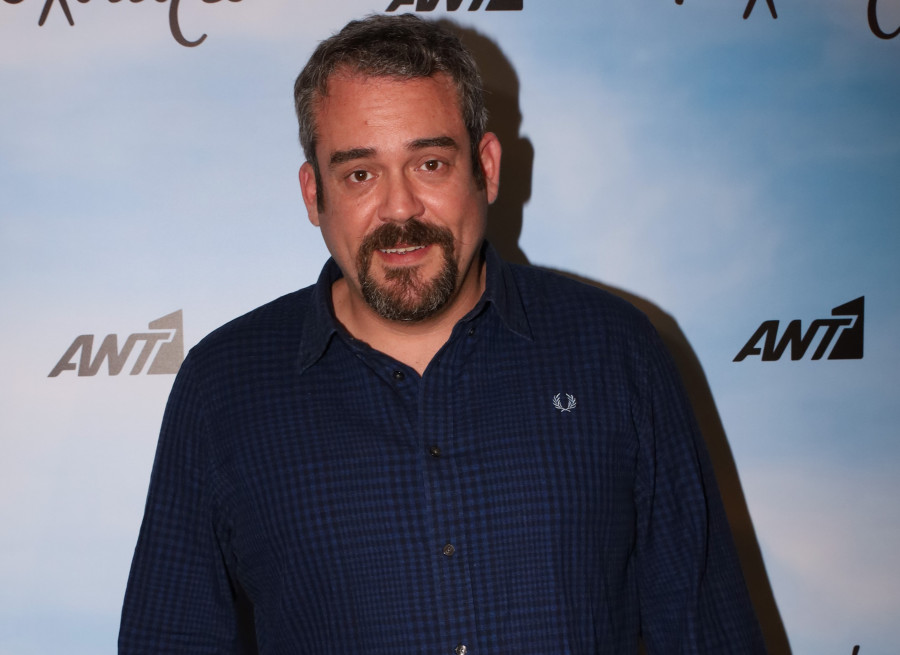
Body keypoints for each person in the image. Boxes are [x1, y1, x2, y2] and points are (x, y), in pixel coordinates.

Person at [119, 14, 766, 654]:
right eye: (360, 173)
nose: (400, 208)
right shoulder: (223, 390)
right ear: (314, 194)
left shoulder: (617, 354)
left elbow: (709, 634)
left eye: (429, 163)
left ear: (486, 167)